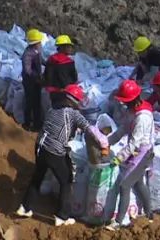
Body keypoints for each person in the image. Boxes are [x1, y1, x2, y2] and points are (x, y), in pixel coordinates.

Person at [16, 84, 108, 227]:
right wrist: (103, 142)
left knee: (37, 177)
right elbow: (90, 129)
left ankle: (24, 207)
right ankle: (62, 216)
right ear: (75, 101)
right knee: (66, 181)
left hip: (40, 146)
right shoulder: (72, 113)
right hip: (54, 150)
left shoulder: (53, 108)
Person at [105, 79, 155, 231]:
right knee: (138, 184)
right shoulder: (132, 111)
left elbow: (134, 143)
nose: (124, 105)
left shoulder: (143, 117)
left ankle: (118, 222)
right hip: (136, 151)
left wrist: (118, 158)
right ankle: (150, 215)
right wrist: (107, 142)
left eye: (126, 102)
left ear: (133, 100)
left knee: (124, 185)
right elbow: (123, 129)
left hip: (143, 153)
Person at [43, 34, 78, 107]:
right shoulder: (69, 62)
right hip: (63, 93)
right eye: (69, 46)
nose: (70, 49)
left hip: (50, 93)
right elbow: (74, 79)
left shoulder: (51, 59)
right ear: (63, 47)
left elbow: (46, 77)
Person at [21, 28, 46, 131]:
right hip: (29, 82)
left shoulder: (38, 50)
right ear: (35, 42)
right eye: (39, 42)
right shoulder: (27, 54)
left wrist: (49, 63)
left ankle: (37, 125)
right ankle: (27, 124)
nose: (40, 43)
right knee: (30, 102)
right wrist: (37, 77)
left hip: (37, 81)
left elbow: (42, 60)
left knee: (37, 103)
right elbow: (27, 70)